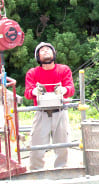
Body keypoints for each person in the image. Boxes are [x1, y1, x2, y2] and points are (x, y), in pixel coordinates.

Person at [24, 42, 75, 170]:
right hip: (41, 113)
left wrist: (64, 90)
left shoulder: (63, 70)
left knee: (62, 145)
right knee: (36, 146)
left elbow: (71, 88)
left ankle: (61, 170)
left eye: (48, 49)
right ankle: (36, 172)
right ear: (37, 56)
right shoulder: (33, 73)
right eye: (42, 50)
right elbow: (27, 93)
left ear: (54, 53)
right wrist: (34, 91)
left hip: (60, 111)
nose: (45, 51)